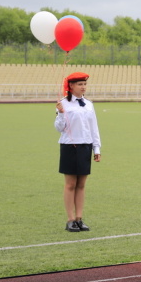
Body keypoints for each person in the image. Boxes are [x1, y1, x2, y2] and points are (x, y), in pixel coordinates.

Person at [54, 72, 101, 233]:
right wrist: (60, 113)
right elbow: (59, 128)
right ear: (71, 86)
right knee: (70, 184)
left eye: (85, 84)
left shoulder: (88, 104)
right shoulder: (63, 104)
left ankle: (80, 218)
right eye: (80, 84)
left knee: (81, 185)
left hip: (85, 146)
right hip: (69, 146)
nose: (83, 87)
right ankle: (70, 220)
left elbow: (94, 127)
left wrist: (97, 148)